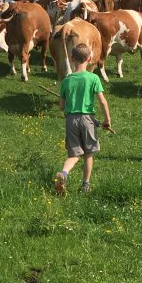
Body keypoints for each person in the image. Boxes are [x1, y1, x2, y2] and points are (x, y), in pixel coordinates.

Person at [53, 43, 112, 195]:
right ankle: (85, 185)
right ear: (90, 58)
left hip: (70, 120)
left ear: (72, 59)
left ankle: (64, 173)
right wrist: (107, 120)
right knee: (88, 154)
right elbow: (103, 101)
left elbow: (61, 106)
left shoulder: (66, 80)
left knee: (74, 155)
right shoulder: (93, 78)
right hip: (87, 120)